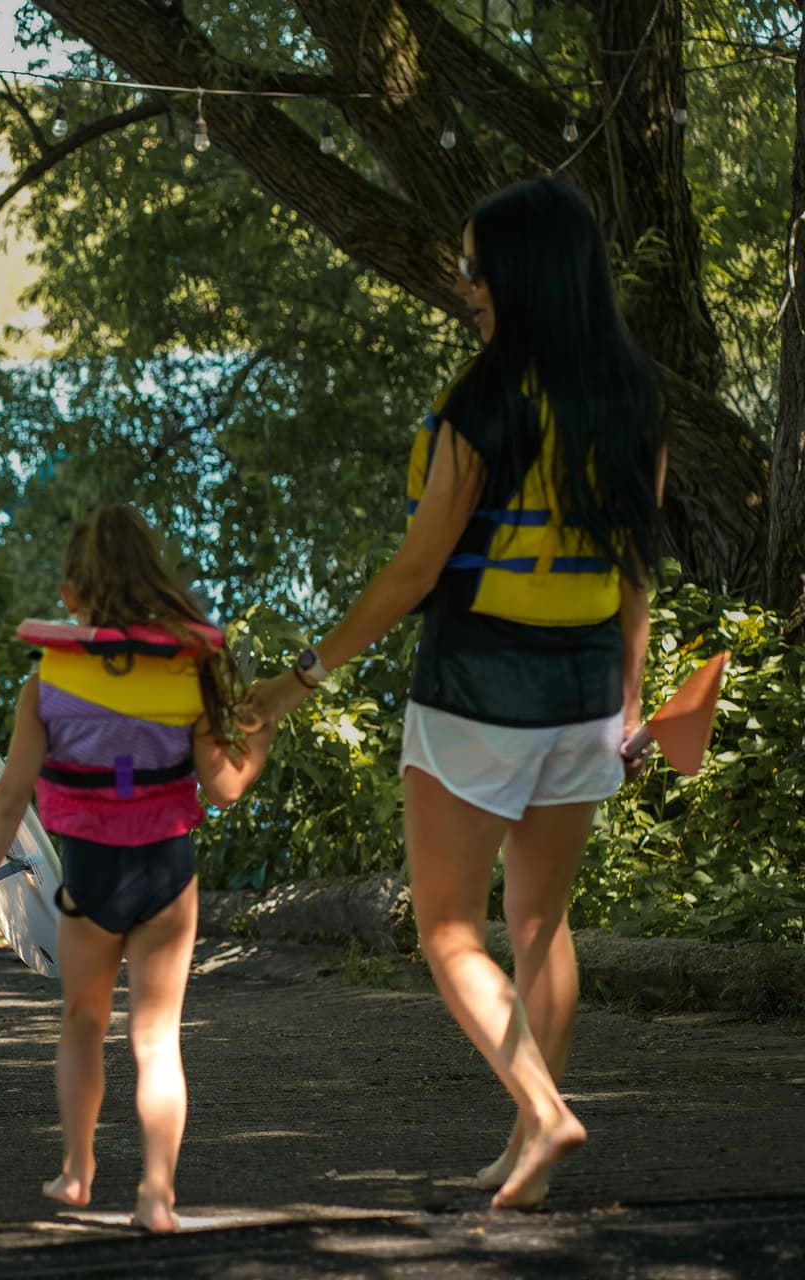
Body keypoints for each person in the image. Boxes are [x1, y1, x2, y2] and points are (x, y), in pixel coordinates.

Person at [251, 177, 668, 1209]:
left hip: (479, 685)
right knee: (542, 922)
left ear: (518, 277)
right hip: (581, 690)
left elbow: (415, 571)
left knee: (445, 926)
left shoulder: (483, 400)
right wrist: (631, 700)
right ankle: (527, 1138)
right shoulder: (634, 394)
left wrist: (301, 678)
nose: (463, 283)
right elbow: (634, 574)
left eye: (474, 267)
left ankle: (544, 1107)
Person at [0, 505, 273, 1232]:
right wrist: (263, 735)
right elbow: (223, 789)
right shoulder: (187, 676)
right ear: (153, 581)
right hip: (166, 875)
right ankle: (157, 1195)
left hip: (91, 880)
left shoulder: (48, 683)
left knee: (81, 1023)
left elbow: (8, 798)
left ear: (72, 594)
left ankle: (76, 1172)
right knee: (158, 1039)